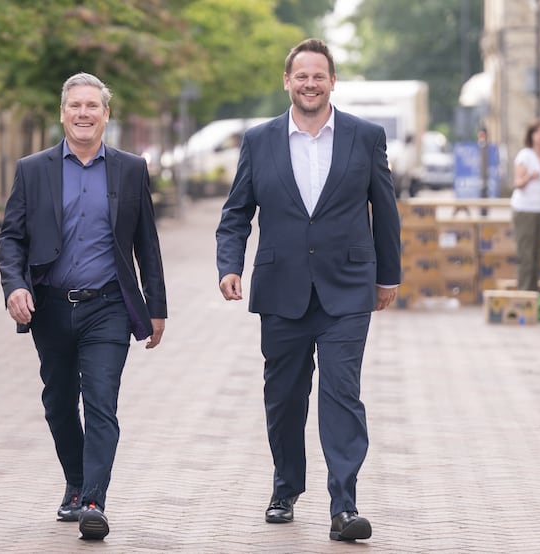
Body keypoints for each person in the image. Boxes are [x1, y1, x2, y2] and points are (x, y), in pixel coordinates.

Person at [215, 38, 401, 542]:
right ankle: (285, 486)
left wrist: (389, 275)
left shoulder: (365, 137)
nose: (311, 84)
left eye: (319, 76)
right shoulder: (260, 140)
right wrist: (229, 265)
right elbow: (236, 213)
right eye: (302, 76)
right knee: (285, 397)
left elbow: (384, 210)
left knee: (342, 395)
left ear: (333, 81)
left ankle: (344, 506)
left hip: (347, 291)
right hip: (282, 290)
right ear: (287, 82)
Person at [0, 72, 167, 541]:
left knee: (101, 403)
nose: (84, 113)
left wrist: (157, 306)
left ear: (106, 114)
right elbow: (11, 238)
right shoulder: (33, 169)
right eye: (76, 106)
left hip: (108, 305)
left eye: (93, 106)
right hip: (49, 307)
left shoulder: (130, 169)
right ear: (63, 113)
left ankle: (94, 500)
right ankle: (75, 481)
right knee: (57, 403)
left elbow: (146, 244)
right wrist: (14, 286)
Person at [511, 120, 540, 291]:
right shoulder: (525, 155)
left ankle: (534, 290)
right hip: (524, 209)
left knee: (538, 253)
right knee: (526, 254)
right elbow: (517, 182)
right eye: (538, 132)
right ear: (531, 135)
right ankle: (524, 292)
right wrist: (530, 176)